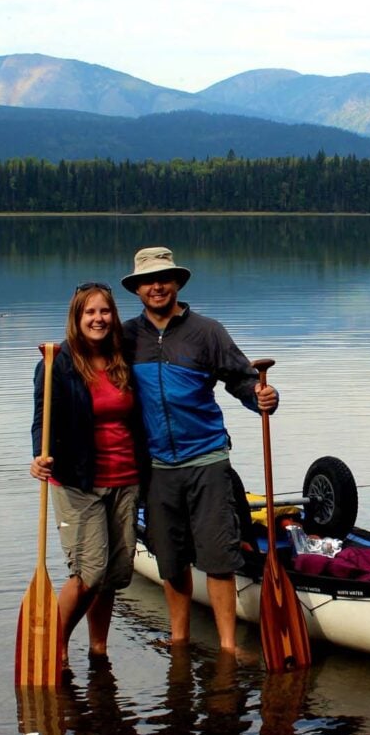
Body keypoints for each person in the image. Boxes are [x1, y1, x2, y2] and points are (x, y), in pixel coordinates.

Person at [120, 246, 278, 653]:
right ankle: (179, 637)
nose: (157, 286)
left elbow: (241, 380)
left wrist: (260, 396)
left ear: (177, 283)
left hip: (207, 459)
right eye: (147, 281)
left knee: (219, 559)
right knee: (171, 562)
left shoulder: (207, 332)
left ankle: (227, 645)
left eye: (164, 279)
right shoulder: (125, 337)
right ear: (137, 289)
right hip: (155, 466)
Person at [29, 282, 142, 668]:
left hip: (125, 478)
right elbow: (41, 423)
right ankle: (53, 647)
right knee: (91, 571)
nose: (98, 319)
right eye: (89, 312)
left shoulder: (123, 357)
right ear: (77, 319)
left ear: (113, 317)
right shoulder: (56, 364)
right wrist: (38, 458)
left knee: (114, 572)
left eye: (105, 311)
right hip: (79, 482)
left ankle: (98, 648)